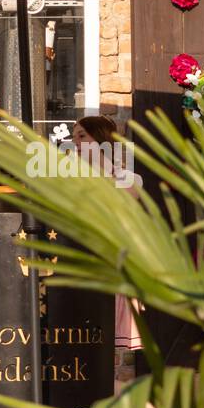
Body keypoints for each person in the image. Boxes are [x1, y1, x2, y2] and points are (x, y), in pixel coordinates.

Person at [72, 115, 143, 384]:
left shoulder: (129, 178)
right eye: (74, 136)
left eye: (82, 137)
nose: (75, 142)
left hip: (112, 268)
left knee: (108, 352)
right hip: (81, 267)